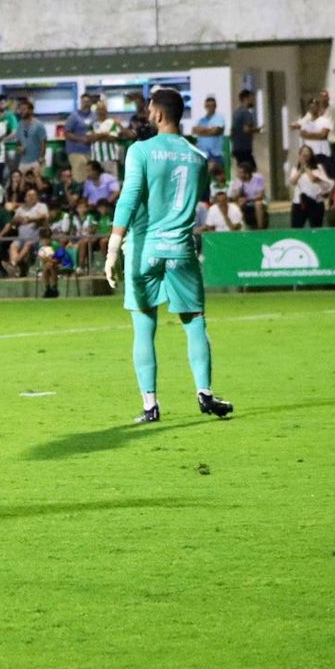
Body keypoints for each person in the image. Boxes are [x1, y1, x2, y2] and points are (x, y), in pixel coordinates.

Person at [104, 86, 233, 424]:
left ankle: (151, 406)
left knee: (144, 327)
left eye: (149, 109)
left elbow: (129, 197)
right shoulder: (199, 157)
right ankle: (204, 394)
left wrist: (113, 246)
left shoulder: (140, 150)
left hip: (144, 249)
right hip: (181, 251)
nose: (147, 115)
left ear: (158, 114)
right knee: (195, 324)